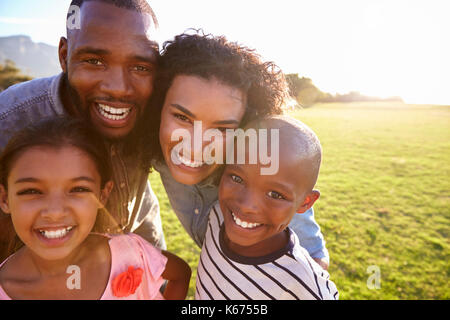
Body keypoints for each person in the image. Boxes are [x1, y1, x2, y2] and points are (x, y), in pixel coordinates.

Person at [146, 32, 330, 269]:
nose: (194, 145)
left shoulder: (268, 174)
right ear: (157, 108)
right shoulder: (155, 147)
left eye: (222, 128)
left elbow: (315, 260)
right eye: (182, 117)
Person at [0, 0, 165, 258]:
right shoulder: (9, 122)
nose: (119, 88)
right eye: (94, 61)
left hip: (139, 243)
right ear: (64, 56)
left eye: (140, 67)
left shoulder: (157, 109)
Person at [0, 117, 191, 300]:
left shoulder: (129, 254)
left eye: (78, 189)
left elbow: (180, 274)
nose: (55, 212)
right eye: (32, 191)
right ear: (4, 198)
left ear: (102, 195)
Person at [195, 116, 338, 300]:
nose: (247, 206)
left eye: (275, 195)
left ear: (305, 202)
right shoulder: (217, 217)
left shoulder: (304, 286)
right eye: (237, 178)